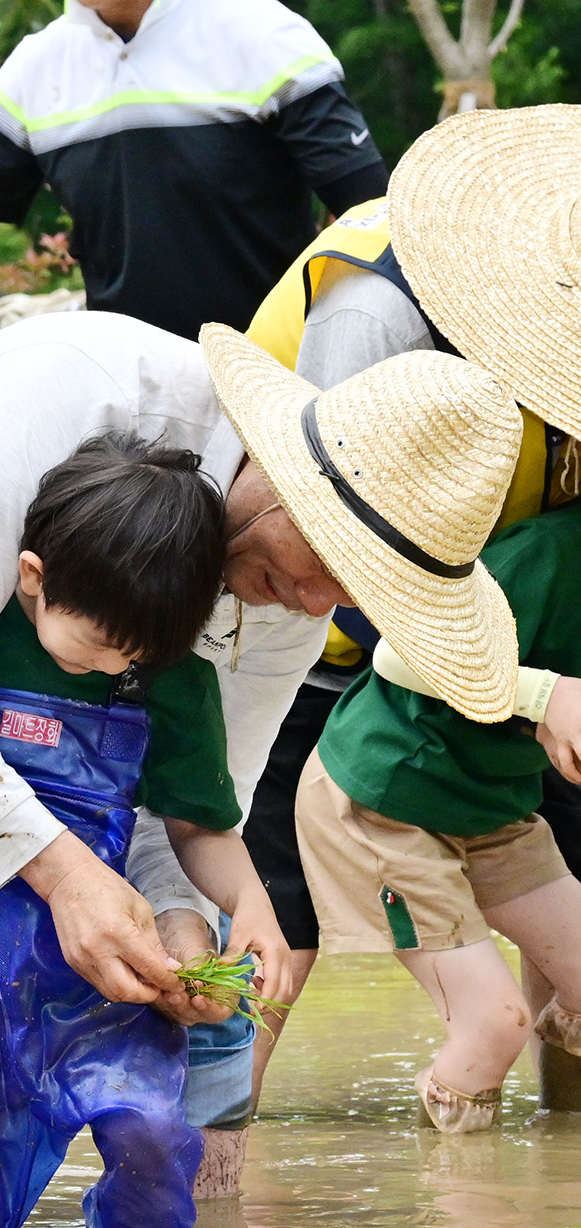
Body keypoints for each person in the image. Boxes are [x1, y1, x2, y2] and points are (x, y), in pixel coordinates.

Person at [0, 311, 353, 1171]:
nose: (316, 603)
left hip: (7, 803)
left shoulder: (289, 597)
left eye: (357, 592)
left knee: (180, 1136)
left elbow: (180, 810)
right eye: (331, 558)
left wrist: (189, 922)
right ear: (281, 477)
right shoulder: (76, 401)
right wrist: (67, 873)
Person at [229, 106, 581, 1112]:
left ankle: (556, 1168)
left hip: (500, 655)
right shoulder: (379, 313)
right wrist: (533, 688)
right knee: (274, 921)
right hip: (317, 627)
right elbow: (322, 546)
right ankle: (209, 1180)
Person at [0, 432, 290, 1228]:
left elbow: (199, 825)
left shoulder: (174, 683)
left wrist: (251, 905)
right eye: (100, 643)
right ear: (33, 577)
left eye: (138, 654)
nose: (113, 667)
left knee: (156, 1140)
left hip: (97, 976)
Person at [256, 345, 581, 1131]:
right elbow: (399, 648)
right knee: (493, 1021)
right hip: (381, 798)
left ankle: (544, 1174)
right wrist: (544, 696)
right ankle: (470, 1223)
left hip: (488, 803)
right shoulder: (548, 554)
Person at [0, 0, 386, 348]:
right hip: (125, 388)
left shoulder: (264, 34)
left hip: (272, 379)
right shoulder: (35, 70)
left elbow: (373, 214)